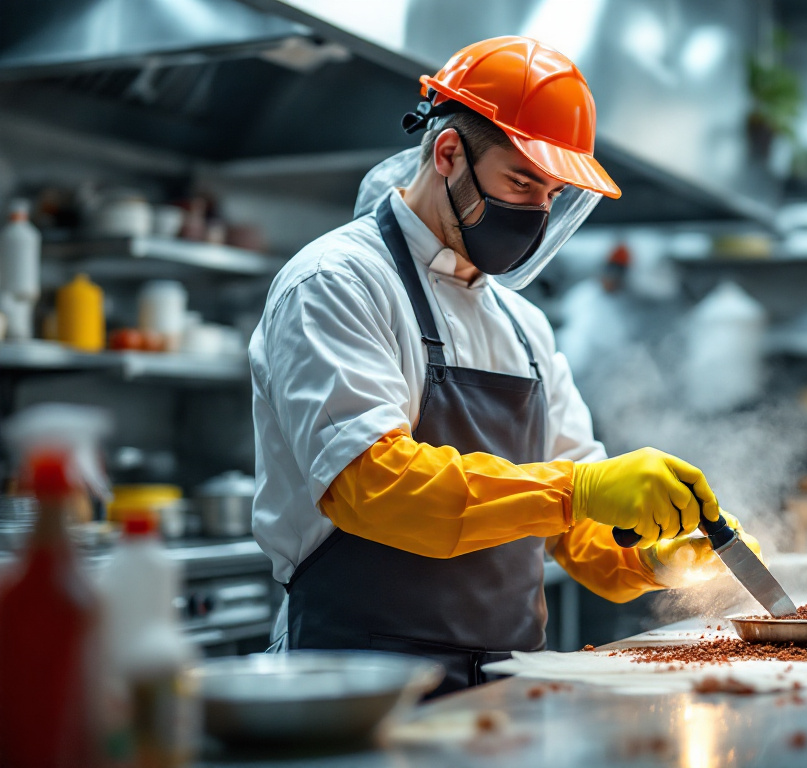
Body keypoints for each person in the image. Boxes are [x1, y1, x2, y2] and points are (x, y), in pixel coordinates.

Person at [250, 36, 759, 696]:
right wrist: (576, 489)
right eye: (521, 181)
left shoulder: (523, 327)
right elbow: (372, 487)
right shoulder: (337, 283)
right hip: (358, 685)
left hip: (507, 688)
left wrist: (658, 556)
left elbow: (580, 537)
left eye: (550, 194)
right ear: (448, 153)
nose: (535, 214)